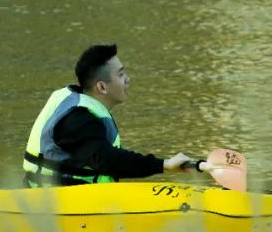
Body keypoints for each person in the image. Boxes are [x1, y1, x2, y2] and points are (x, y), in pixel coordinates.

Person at [23, 44, 193, 187]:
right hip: (55, 205)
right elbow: (108, 161)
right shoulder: (78, 119)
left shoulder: (77, 104)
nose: (127, 79)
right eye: (120, 74)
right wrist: (165, 165)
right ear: (102, 87)